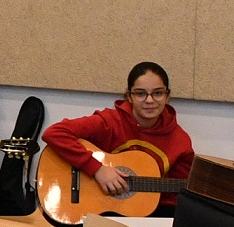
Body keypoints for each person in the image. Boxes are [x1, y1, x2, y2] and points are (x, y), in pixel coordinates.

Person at [41, 62, 196, 213]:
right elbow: (54, 133)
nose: (150, 100)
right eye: (140, 93)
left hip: (144, 213)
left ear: (167, 96)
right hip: (95, 210)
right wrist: (97, 169)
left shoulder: (180, 141)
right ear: (129, 96)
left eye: (158, 93)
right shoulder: (110, 122)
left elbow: (180, 195)